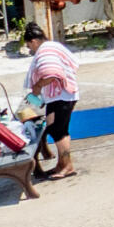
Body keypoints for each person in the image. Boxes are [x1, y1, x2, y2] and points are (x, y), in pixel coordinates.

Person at [27, 31, 81, 178]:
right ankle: (62, 164)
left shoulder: (45, 51)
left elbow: (51, 73)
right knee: (56, 129)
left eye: (29, 46)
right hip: (63, 95)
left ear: (33, 41)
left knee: (58, 131)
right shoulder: (54, 46)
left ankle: (68, 166)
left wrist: (38, 85)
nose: (31, 50)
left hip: (61, 97)